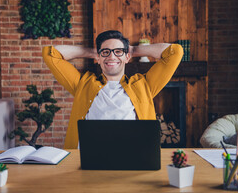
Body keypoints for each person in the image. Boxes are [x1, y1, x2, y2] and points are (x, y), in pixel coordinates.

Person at [42, 30, 183, 148]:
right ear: (98, 57)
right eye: (106, 52)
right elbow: (50, 53)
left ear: (127, 56)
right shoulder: (83, 84)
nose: (111, 56)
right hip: (88, 161)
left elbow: (175, 52)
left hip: (134, 159)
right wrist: (93, 53)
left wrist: (133, 50)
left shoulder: (143, 85)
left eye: (118, 51)